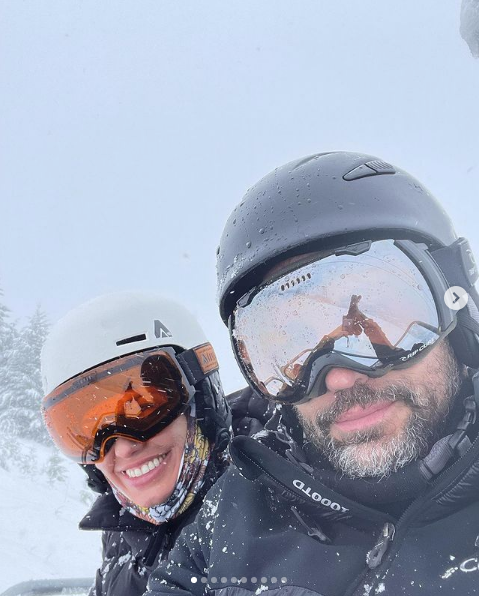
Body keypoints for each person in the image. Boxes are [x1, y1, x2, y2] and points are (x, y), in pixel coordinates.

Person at [146, 151, 479, 595]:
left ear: (455, 301)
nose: (339, 377)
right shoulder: (231, 518)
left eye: (381, 317)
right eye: (292, 348)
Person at [40, 291, 231, 596]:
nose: (122, 448)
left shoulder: (275, 507)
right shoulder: (123, 529)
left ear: (202, 399)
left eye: (143, 409)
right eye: (90, 431)